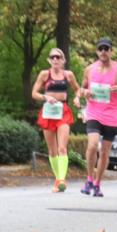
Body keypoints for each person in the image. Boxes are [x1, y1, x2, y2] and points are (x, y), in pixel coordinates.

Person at [79, 38, 117, 197]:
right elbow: (81, 90)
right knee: (92, 145)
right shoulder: (89, 69)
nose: (103, 51)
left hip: (112, 115)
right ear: (97, 51)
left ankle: (97, 184)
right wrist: (85, 93)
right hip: (94, 112)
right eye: (100, 49)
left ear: (111, 51)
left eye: (106, 48)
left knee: (104, 152)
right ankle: (89, 179)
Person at [31, 48, 82, 192]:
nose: (55, 60)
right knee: (52, 150)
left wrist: (77, 97)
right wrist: (45, 97)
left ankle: (61, 180)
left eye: (58, 57)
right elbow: (34, 93)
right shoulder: (44, 74)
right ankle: (57, 179)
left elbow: (77, 89)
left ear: (63, 60)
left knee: (62, 148)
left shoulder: (68, 75)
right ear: (49, 60)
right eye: (52, 57)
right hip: (48, 111)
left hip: (62, 111)